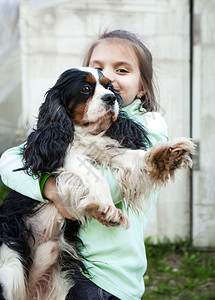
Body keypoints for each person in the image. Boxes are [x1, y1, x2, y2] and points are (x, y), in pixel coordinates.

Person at [0, 30, 168, 300]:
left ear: (143, 86)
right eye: (97, 70)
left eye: (121, 70)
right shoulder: (61, 130)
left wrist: (64, 186)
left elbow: (111, 189)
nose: (109, 82)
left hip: (106, 276)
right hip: (56, 260)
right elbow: (9, 162)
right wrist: (49, 188)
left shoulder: (151, 128)